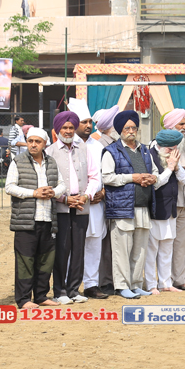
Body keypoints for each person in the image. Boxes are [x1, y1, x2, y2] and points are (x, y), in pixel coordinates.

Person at [102, 111, 162, 299]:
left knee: (140, 250)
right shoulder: (112, 151)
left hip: (143, 206)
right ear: (120, 130)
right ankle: (122, 286)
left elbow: (155, 172)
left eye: (133, 128)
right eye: (127, 128)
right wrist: (132, 178)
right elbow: (107, 177)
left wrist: (152, 179)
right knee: (122, 250)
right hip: (122, 208)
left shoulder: (145, 150)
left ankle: (136, 285)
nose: (131, 131)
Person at [6, 128, 65, 309]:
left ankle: (41, 296)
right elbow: (9, 187)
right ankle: (24, 299)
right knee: (25, 260)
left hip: (47, 219)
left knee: (45, 260)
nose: (33, 144)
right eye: (30, 141)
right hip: (25, 220)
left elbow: (62, 185)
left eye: (37, 141)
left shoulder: (51, 162)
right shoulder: (18, 161)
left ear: (44, 144)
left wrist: (53, 192)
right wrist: (34, 193)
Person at [46, 112, 97, 304]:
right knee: (62, 249)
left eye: (70, 128)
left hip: (82, 205)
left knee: (78, 249)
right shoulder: (50, 151)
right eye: (64, 128)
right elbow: (47, 181)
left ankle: (74, 289)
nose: (68, 131)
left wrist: (86, 196)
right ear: (57, 130)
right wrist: (64, 199)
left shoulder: (83, 148)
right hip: (61, 207)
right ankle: (59, 291)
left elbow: (94, 176)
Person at [147, 128, 185, 294]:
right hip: (155, 210)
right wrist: (170, 168)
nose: (174, 152)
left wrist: (176, 167)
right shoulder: (149, 156)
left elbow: (183, 180)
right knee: (152, 250)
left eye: (176, 148)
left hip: (170, 210)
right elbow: (155, 183)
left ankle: (165, 282)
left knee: (167, 248)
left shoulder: (172, 158)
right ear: (162, 147)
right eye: (171, 149)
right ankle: (150, 284)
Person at [161, 109, 185, 292]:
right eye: (180, 124)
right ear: (170, 126)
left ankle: (181, 279)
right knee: (166, 242)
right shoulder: (160, 145)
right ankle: (164, 280)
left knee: (184, 242)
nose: (184, 127)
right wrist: (179, 168)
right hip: (170, 201)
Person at [79, 110, 110, 300]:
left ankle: (91, 284)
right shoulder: (68, 146)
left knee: (94, 243)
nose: (88, 125)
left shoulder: (98, 146)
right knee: (73, 246)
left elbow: (105, 172)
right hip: (75, 203)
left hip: (96, 203)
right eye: (84, 122)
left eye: (90, 122)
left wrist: (103, 192)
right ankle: (69, 285)